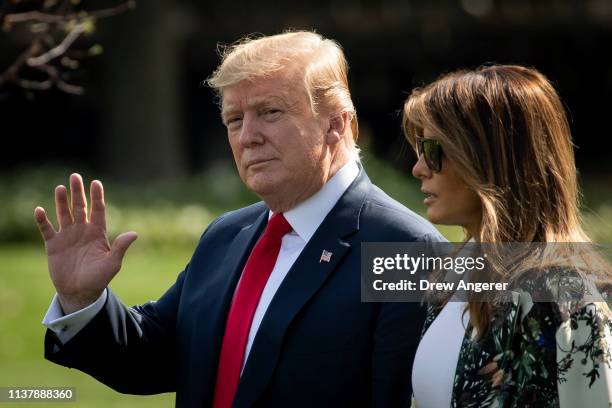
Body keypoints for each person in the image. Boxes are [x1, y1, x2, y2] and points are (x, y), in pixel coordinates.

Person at [35, 31, 443, 407]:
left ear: (337, 123)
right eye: (234, 119)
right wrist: (83, 301)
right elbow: (154, 356)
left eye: (270, 112)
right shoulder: (226, 234)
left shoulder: (405, 248)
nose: (247, 136)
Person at [403, 64, 612, 407]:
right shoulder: (455, 271)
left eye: (433, 150)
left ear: (488, 160)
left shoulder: (563, 294)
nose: (418, 168)